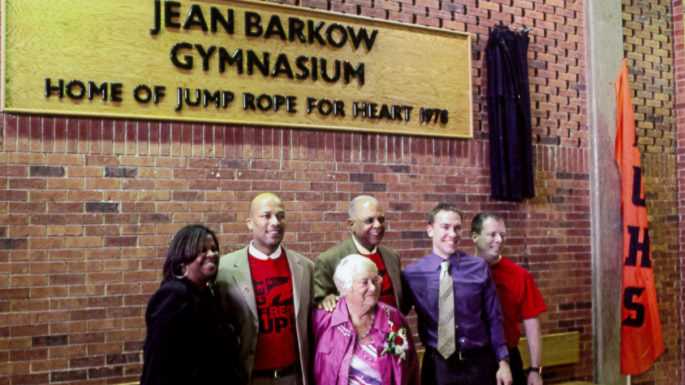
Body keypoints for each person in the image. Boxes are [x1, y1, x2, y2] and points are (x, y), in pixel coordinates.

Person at [401, 203, 512, 385]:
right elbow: (396, 316)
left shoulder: (479, 267)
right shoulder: (413, 274)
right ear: (430, 230)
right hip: (438, 366)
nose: (452, 234)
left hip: (479, 363)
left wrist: (503, 361)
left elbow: (494, 317)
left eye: (457, 228)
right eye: (445, 227)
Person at [216, 193, 314, 385]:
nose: (275, 222)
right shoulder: (225, 270)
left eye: (280, 215)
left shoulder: (305, 267)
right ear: (249, 223)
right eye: (266, 216)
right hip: (249, 377)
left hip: (293, 376)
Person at [140, 224, 244, 385]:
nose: (212, 254)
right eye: (202, 250)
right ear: (183, 258)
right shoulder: (173, 297)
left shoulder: (207, 294)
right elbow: (159, 364)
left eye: (214, 249)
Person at [313, 254, 419, 385]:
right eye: (365, 282)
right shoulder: (324, 320)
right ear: (345, 287)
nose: (373, 288)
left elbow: (410, 368)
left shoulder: (393, 318)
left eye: (375, 280)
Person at [471, 213, 547, 385]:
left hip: (509, 357)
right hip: (472, 361)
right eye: (492, 234)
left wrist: (535, 369)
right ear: (475, 237)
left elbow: (532, 324)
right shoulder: (459, 273)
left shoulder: (520, 276)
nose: (499, 240)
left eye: (502, 235)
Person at [314, 195, 403, 311]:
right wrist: (326, 299)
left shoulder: (392, 257)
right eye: (369, 220)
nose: (378, 225)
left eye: (381, 219)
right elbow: (319, 304)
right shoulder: (329, 260)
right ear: (351, 225)